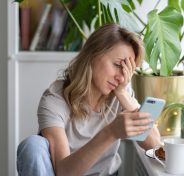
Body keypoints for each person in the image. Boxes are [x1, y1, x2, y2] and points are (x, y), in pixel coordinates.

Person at [17, 23, 161, 176]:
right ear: (93, 54)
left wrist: (123, 94)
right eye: (117, 65)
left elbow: (154, 145)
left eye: (127, 69)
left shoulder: (119, 92)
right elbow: (63, 172)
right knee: (32, 145)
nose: (121, 76)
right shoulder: (55, 99)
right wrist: (110, 132)